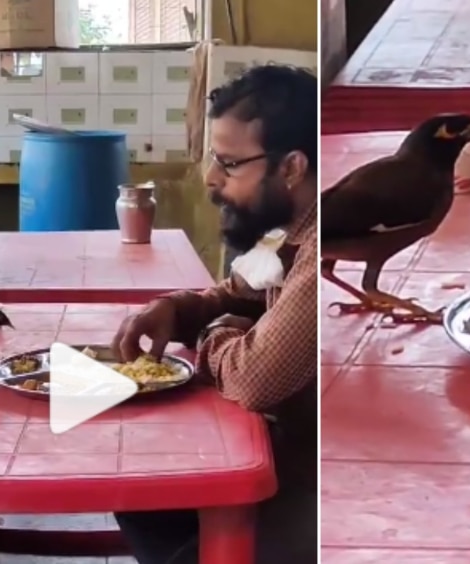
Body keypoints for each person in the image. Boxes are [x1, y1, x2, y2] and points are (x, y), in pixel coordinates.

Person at [110, 64, 318, 564]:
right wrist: (179, 309)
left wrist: (216, 333)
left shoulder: (320, 246)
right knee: (139, 493)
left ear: (291, 168)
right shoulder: (283, 229)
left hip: (325, 479)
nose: (210, 179)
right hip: (288, 450)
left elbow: (254, 378)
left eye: (228, 163)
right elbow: (239, 290)